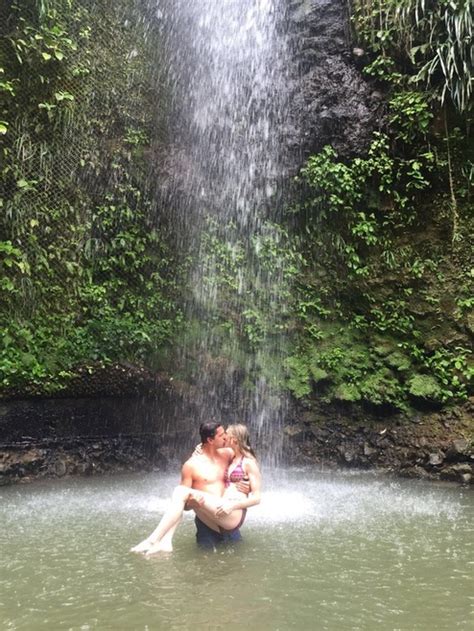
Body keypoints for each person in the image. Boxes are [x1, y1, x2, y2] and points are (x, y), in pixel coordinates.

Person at [131, 422, 261, 555]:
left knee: (236, 565)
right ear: (210, 440)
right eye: (222, 435)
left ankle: (157, 540)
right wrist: (192, 504)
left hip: (228, 514)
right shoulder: (192, 465)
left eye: (226, 435)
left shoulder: (228, 454)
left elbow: (249, 467)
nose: (224, 438)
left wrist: (248, 487)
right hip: (208, 521)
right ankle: (163, 541)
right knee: (206, 565)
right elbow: (182, 505)